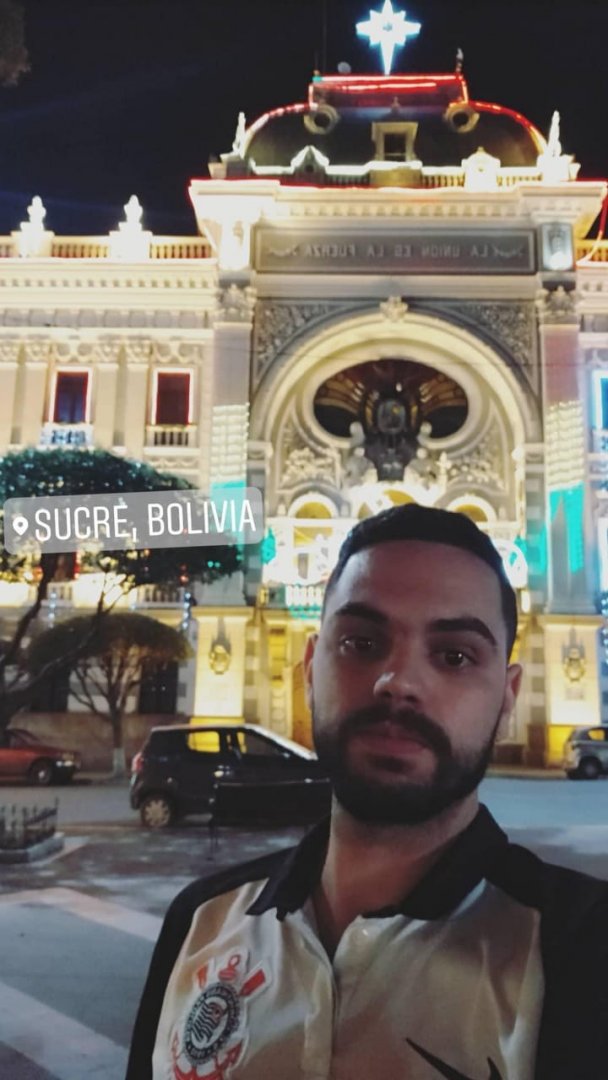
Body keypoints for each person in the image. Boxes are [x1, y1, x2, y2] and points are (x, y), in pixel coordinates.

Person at [126, 505, 608, 1080]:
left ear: (507, 698)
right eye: (360, 642)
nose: (398, 682)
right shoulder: (199, 923)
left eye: (454, 656)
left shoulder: (584, 947)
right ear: (310, 669)